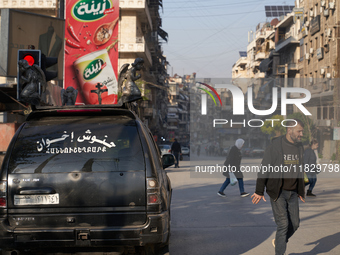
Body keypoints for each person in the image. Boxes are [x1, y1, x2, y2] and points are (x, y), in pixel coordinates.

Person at [251, 119, 305, 255]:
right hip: (278, 192)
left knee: (295, 224)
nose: (301, 134)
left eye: (302, 131)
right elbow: (264, 168)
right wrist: (259, 191)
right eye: (299, 131)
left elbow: (299, 169)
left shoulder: (300, 146)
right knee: (283, 225)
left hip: (293, 192)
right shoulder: (275, 146)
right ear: (289, 130)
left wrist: (300, 189)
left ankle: (280, 241)